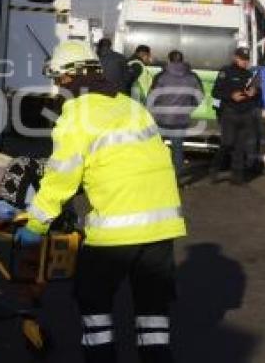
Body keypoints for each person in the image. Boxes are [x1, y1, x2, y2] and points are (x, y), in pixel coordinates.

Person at [15, 40, 186, 363]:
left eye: (57, 81)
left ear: (68, 78)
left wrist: (36, 224)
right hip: (162, 228)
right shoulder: (131, 106)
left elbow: (61, 177)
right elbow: (128, 160)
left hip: (116, 233)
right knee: (153, 317)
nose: (57, 88)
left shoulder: (77, 113)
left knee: (94, 307)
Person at [147, 50, 203, 177]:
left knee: (158, 147)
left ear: (169, 60)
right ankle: (177, 177)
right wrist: (189, 107)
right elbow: (200, 95)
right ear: (182, 60)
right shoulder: (192, 77)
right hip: (181, 118)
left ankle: (157, 174)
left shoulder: (161, 76)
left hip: (161, 118)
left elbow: (151, 97)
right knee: (177, 149)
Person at [211, 47, 260, 184]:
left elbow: (258, 95)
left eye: (246, 60)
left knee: (240, 146)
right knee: (227, 143)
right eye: (242, 59)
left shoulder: (250, 75)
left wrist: (255, 93)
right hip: (229, 112)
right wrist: (231, 96)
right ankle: (214, 170)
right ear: (235, 58)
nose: (244, 62)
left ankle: (237, 176)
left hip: (246, 113)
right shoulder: (225, 71)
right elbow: (215, 92)